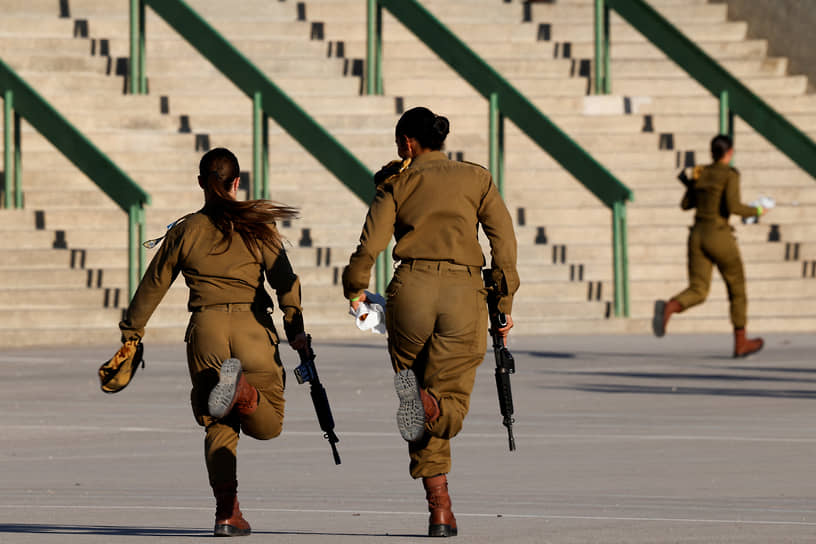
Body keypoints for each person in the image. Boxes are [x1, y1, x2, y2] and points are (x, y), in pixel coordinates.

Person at [342, 107, 519, 537]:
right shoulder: (476, 177)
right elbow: (504, 240)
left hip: (410, 293)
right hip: (462, 294)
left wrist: (355, 288)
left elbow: (370, 245)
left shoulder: (395, 184)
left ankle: (440, 508)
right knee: (449, 397)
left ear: (407, 143)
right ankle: (431, 410)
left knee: (416, 392)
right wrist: (504, 298)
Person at [114, 147, 307, 536]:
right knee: (269, 426)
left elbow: (153, 286)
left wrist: (131, 334)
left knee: (218, 424)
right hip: (253, 330)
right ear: (237, 183)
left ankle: (226, 513)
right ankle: (247, 395)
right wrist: (295, 327)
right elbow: (284, 279)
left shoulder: (186, 230)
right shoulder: (258, 226)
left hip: (206, 333)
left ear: (201, 182)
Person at [653, 134, 765, 357]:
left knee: (698, 289)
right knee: (737, 289)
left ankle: (671, 306)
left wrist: (692, 186)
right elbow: (733, 206)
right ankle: (741, 342)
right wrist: (758, 211)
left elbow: (686, 205)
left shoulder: (700, 173)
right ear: (730, 152)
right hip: (719, 235)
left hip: (696, 235)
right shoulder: (729, 174)